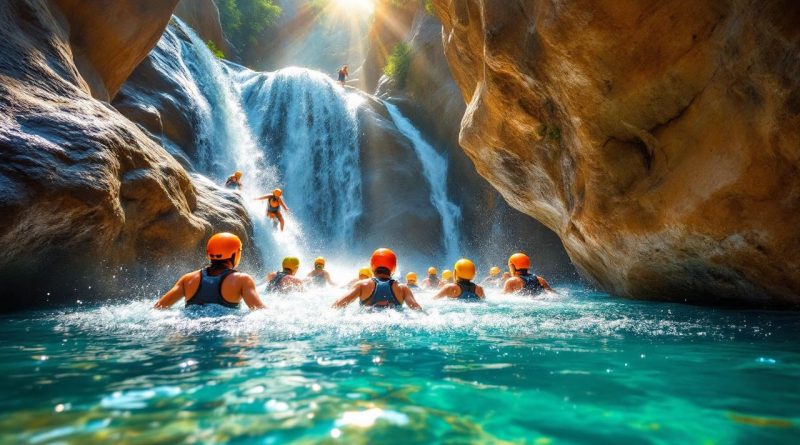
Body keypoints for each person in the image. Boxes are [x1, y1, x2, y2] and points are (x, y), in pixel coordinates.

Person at [154, 233, 265, 310]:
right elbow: (260, 311)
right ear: (234, 254)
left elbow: (159, 307)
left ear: (209, 254)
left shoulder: (187, 279)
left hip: (192, 334)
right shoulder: (242, 280)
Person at [332, 248, 422, 310]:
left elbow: (338, 305)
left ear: (372, 266)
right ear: (393, 267)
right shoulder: (403, 288)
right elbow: (417, 309)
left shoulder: (362, 285)